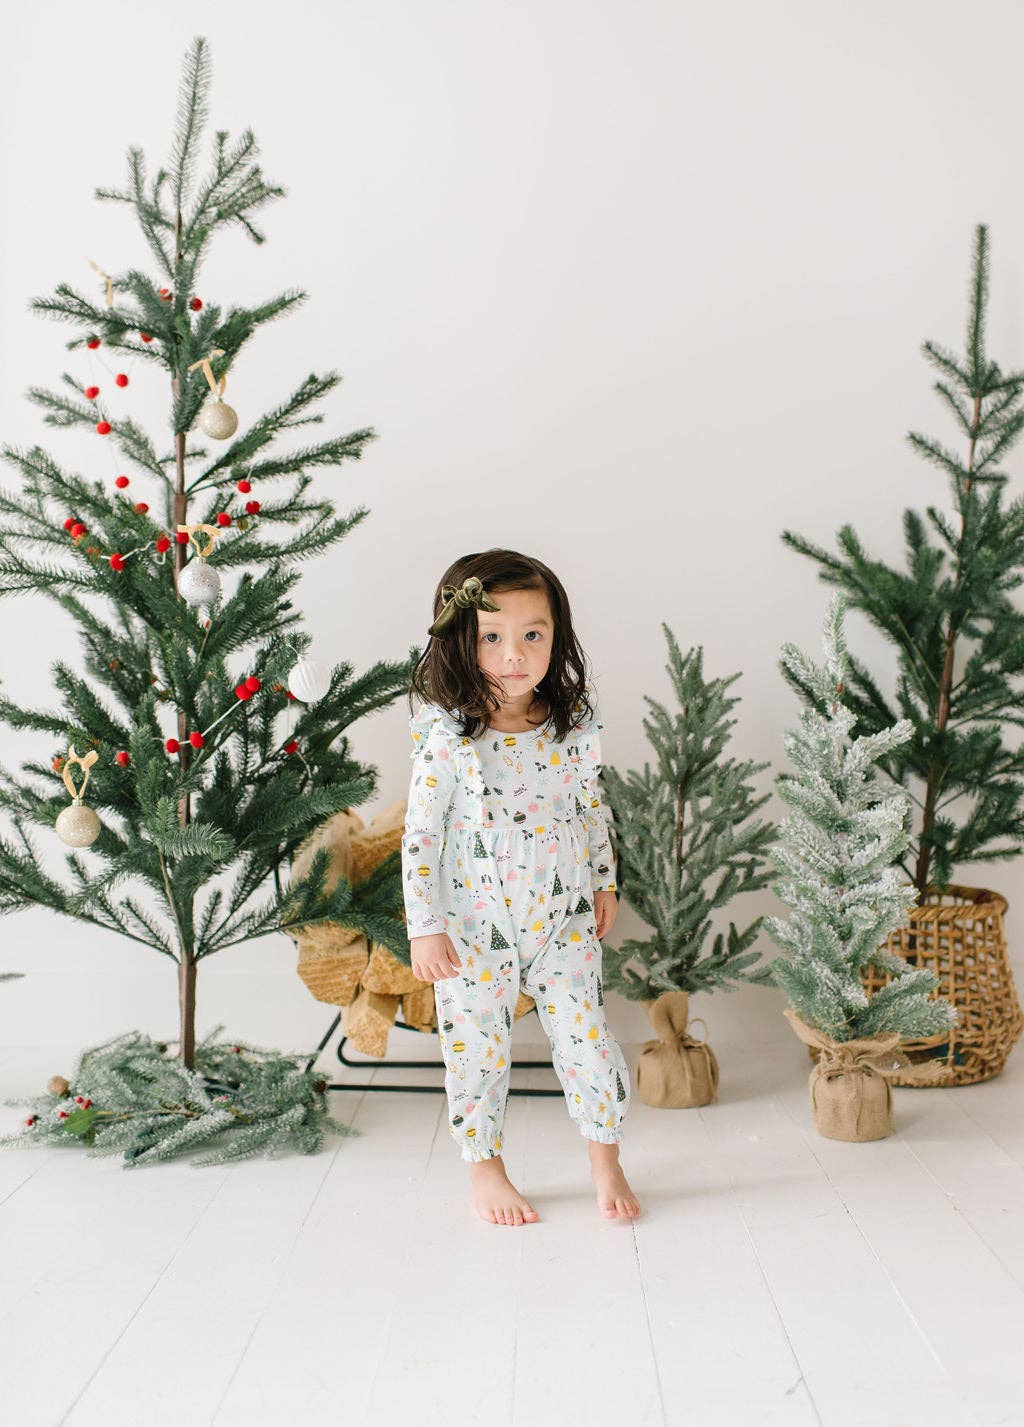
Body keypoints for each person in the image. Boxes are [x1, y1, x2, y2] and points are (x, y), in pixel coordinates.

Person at [401, 548, 641, 1226]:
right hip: (474, 923)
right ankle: (486, 1169)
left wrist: (604, 881)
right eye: (492, 637)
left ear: (557, 636)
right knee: (476, 1049)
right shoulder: (447, 736)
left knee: (588, 1037)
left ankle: (606, 1158)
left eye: (533, 634)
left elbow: (590, 807)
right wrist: (425, 926)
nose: (515, 654)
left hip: (562, 915)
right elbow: (421, 836)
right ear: (460, 642)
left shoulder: (570, 725)